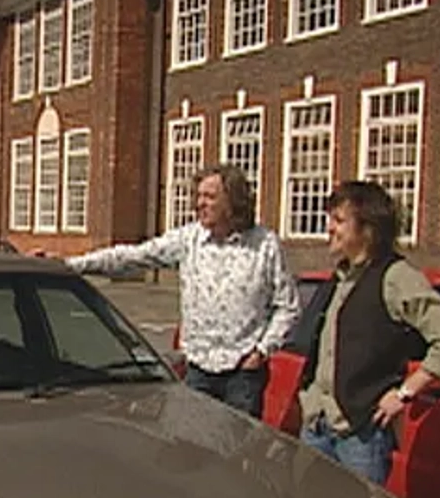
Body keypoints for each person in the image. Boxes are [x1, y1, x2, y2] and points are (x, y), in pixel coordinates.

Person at [50, 163, 297, 418]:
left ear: (233, 201)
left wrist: (261, 351)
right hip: (198, 370)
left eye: (210, 197)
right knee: (192, 448)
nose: (200, 203)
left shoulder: (265, 245)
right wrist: (69, 264)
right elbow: (131, 256)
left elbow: (288, 306)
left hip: (243, 375)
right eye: (198, 196)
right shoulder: (188, 240)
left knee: (238, 452)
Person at [294, 180, 440, 485]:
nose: (329, 228)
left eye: (339, 220)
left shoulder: (396, 277)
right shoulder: (340, 276)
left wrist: (405, 392)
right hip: (317, 426)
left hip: (361, 436)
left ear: (368, 230)